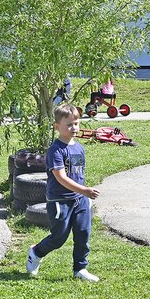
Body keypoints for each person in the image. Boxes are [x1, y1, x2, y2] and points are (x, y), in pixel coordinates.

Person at [26, 103, 100, 282]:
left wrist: (83, 195)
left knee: (83, 233)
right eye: (69, 124)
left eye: (76, 123)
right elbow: (61, 177)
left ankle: (80, 269)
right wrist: (84, 190)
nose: (74, 127)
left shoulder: (79, 148)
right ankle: (36, 252)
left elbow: (78, 174)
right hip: (60, 200)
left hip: (80, 200)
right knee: (59, 237)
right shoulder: (55, 150)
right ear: (57, 127)